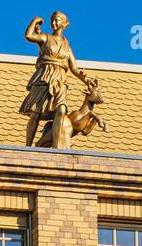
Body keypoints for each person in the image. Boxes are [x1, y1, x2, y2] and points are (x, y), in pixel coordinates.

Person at [19, 11, 92, 149]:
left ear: (64, 23)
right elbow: (29, 36)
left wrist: (87, 80)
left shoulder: (67, 46)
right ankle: (27, 147)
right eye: (52, 20)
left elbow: (74, 68)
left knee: (61, 109)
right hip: (44, 77)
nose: (53, 23)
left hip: (59, 80)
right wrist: (34, 21)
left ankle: (58, 147)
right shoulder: (45, 38)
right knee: (35, 112)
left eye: (56, 20)